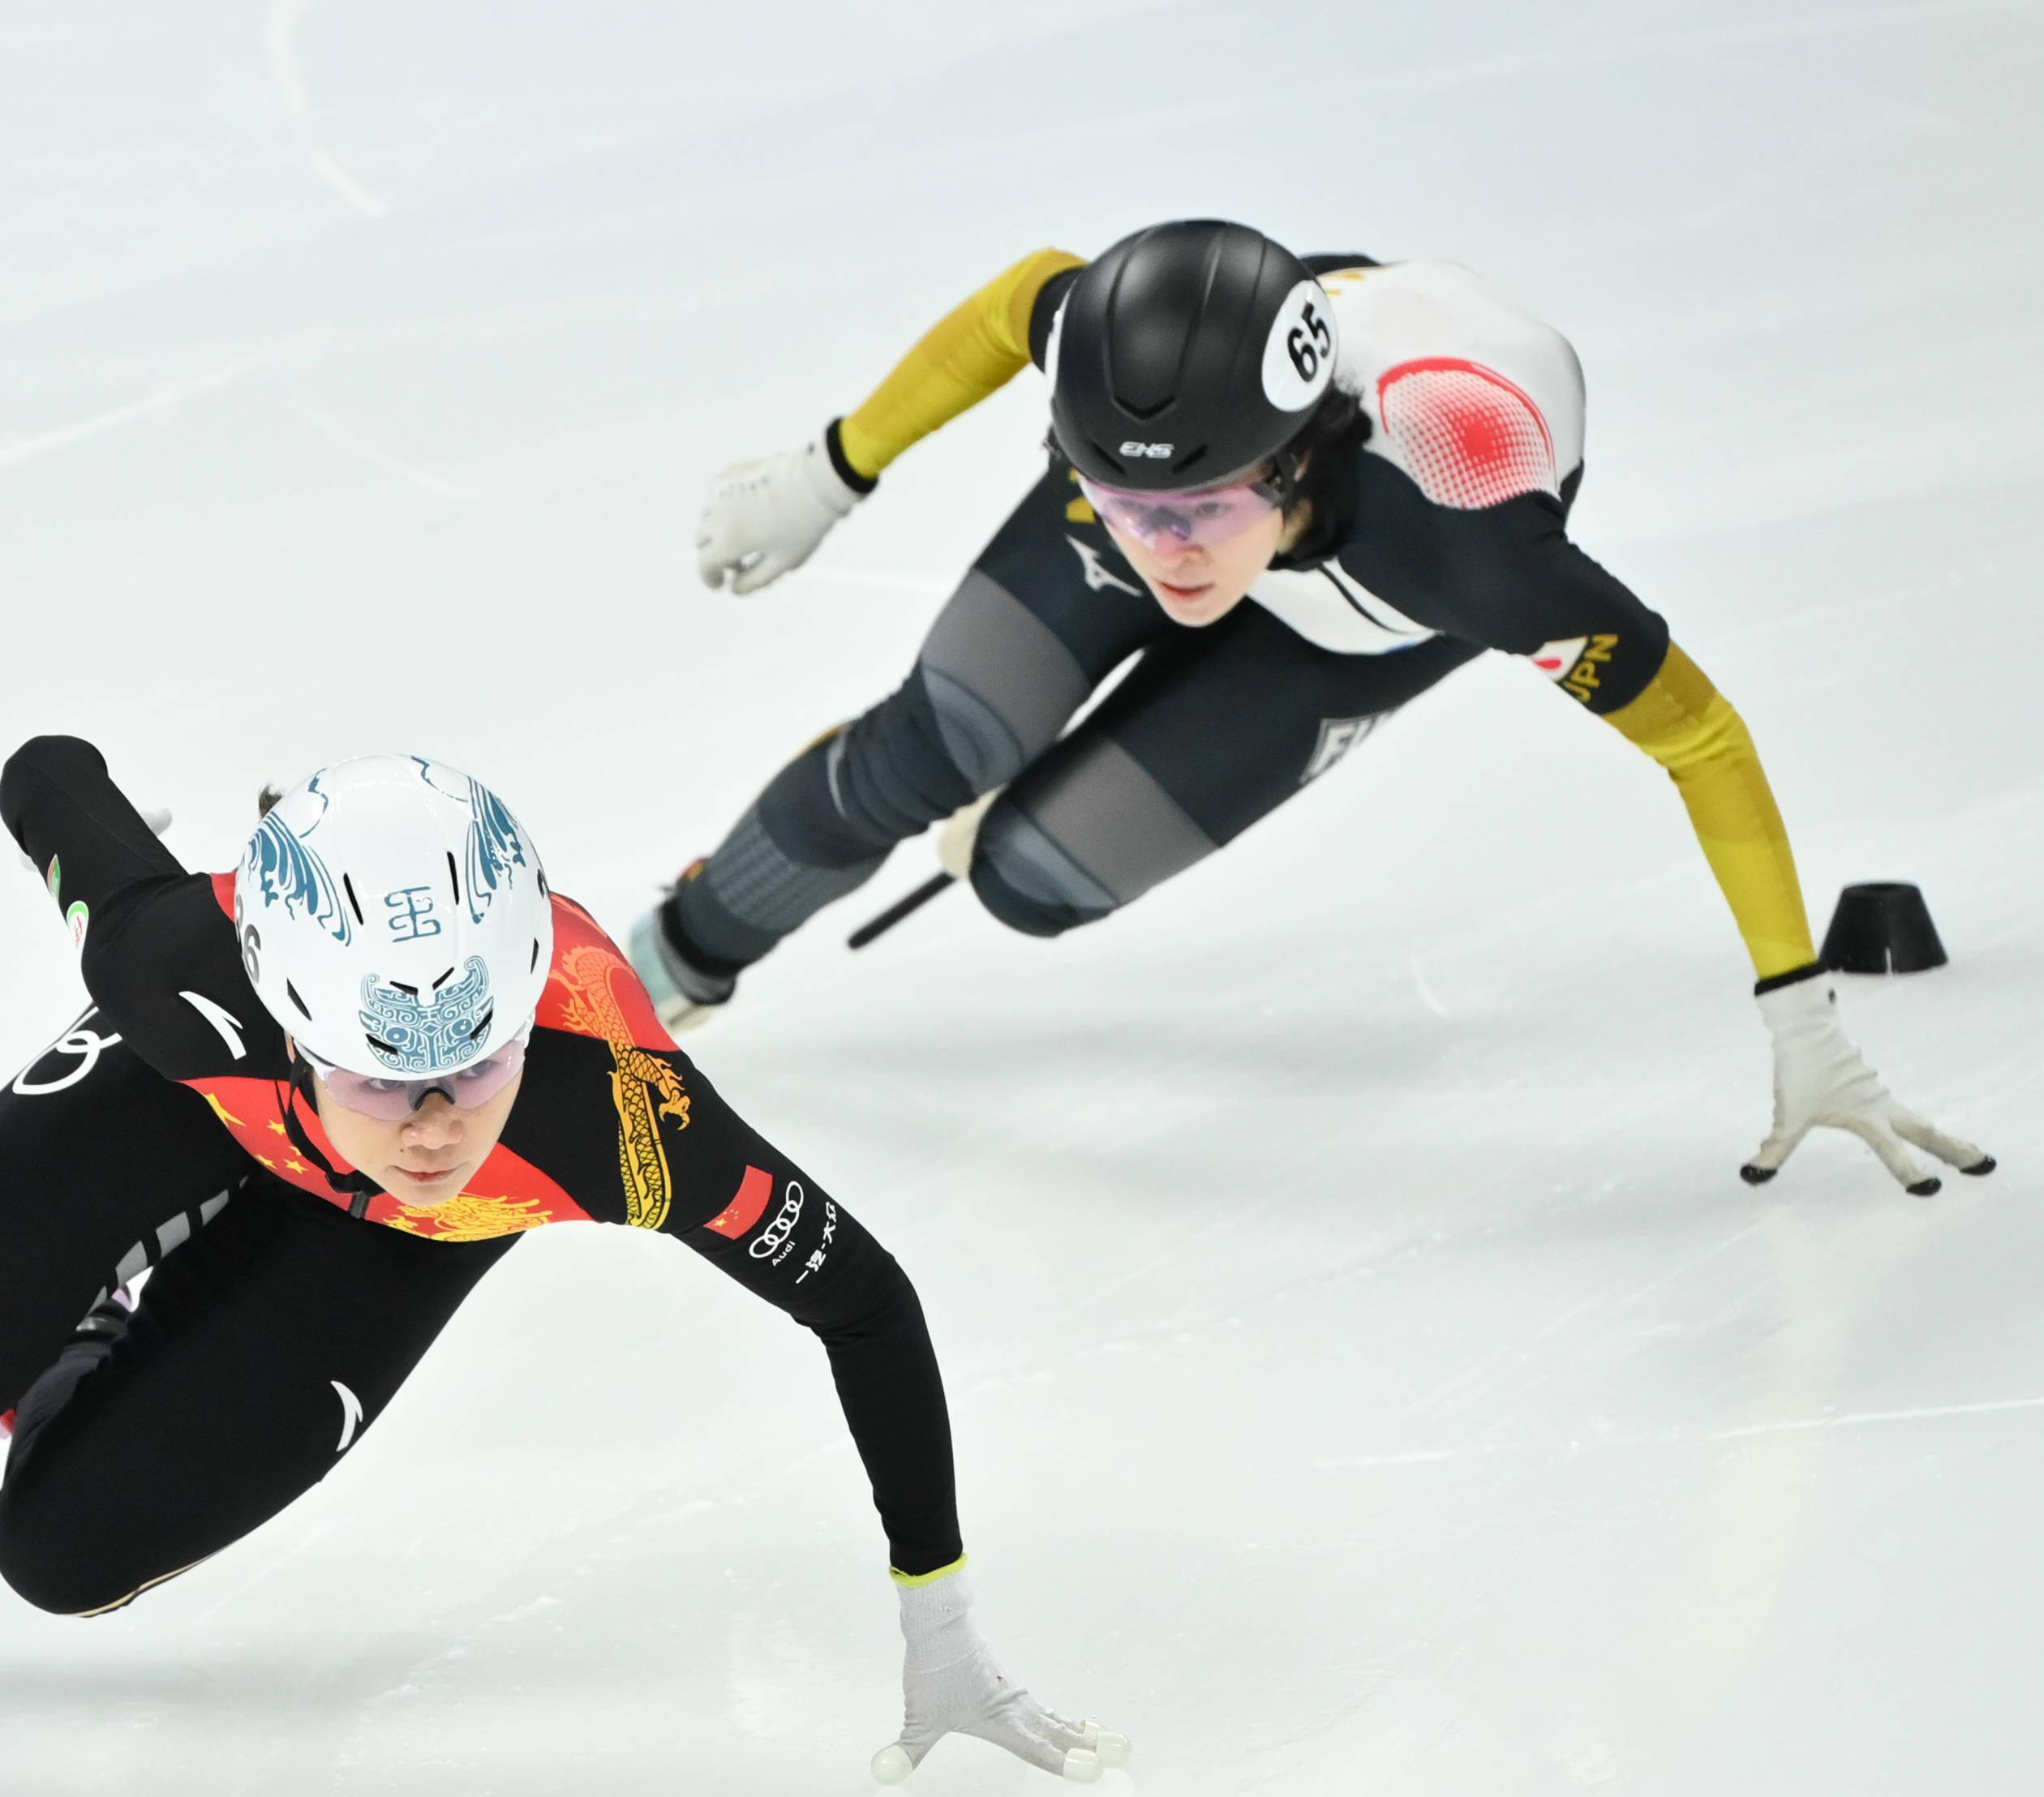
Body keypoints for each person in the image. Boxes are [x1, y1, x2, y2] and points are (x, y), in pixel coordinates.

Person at [0, 743, 1119, 1791]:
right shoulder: (185, 974)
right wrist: (97, 844)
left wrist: (938, 1608)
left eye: (469, 1062)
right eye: (381, 1069)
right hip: (187, 1118)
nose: (431, 1113)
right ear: (285, 1004)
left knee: (59, 1558)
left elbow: (861, 1299)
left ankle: (82, 1347)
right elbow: (47, 778)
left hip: (383, 1249)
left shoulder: (616, 1115)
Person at [632, 220, 1990, 1197]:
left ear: (1295, 461)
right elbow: (1019, 301)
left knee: (1029, 879)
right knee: (939, 743)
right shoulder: (1130, 388)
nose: (1165, 549)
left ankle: (1029, 793)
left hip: (1356, 624)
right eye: (1127, 503)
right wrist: (830, 469)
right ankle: (672, 956)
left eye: (1202, 511)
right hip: (1268, 506)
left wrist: (1800, 1016)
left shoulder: (1471, 550)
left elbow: (1700, 735)